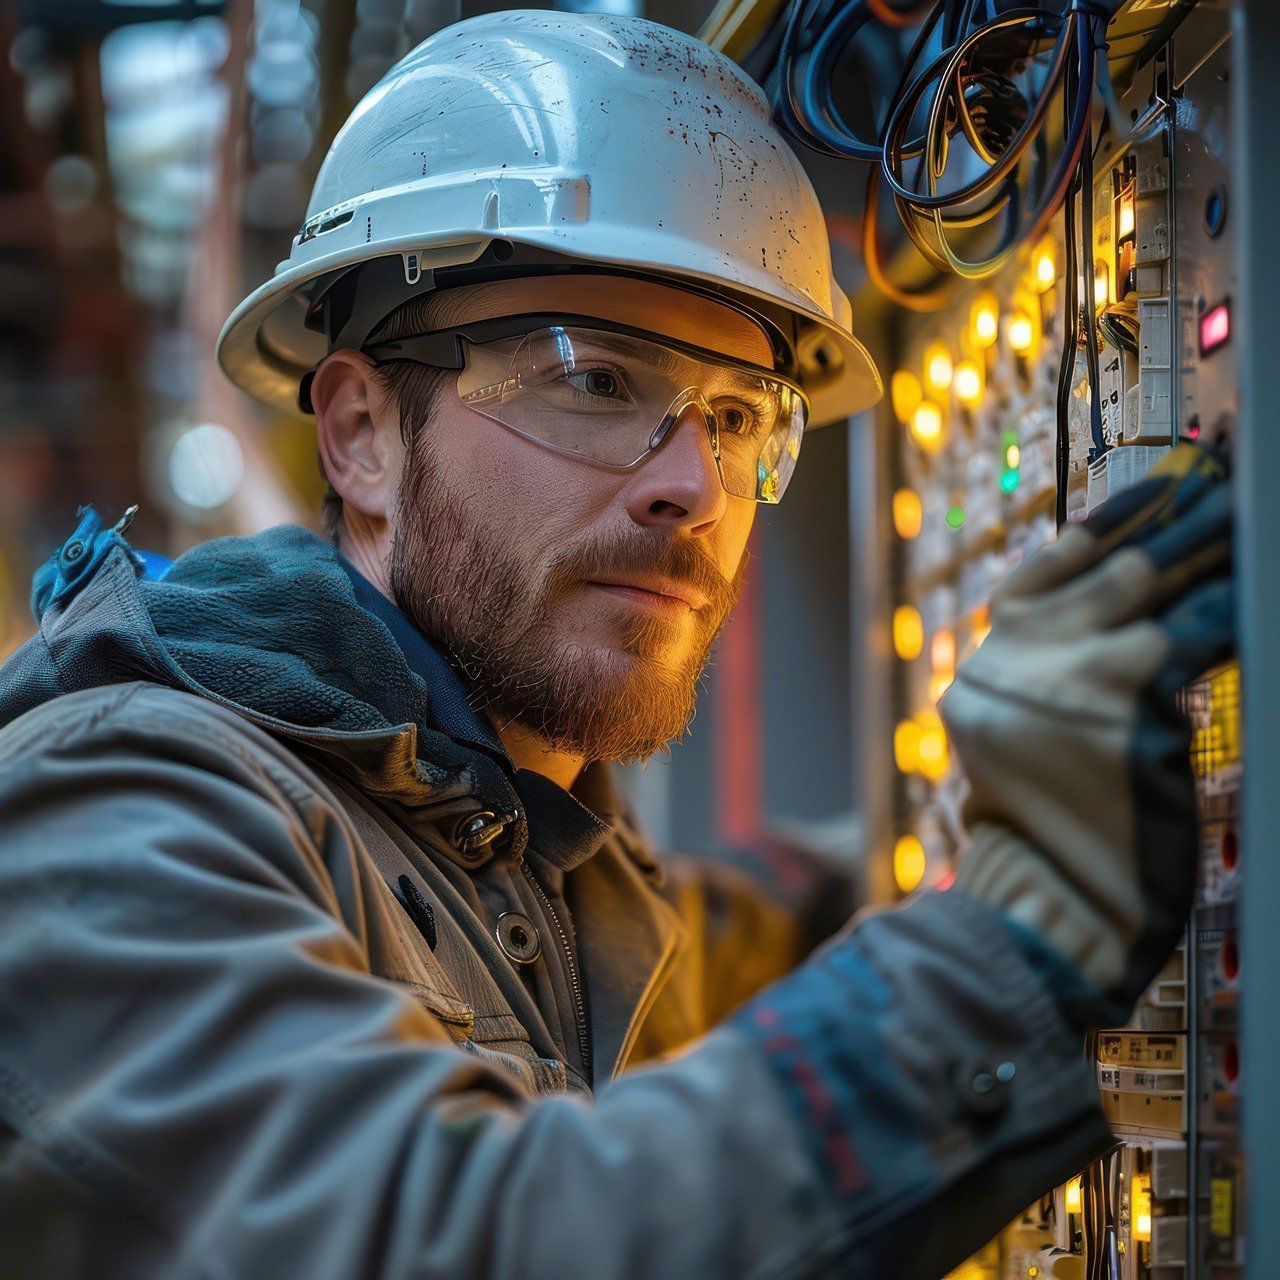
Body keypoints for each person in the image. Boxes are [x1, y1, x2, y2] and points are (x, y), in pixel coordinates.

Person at [0, 12, 1233, 1279]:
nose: (693, 484)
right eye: (594, 380)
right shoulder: (108, 807)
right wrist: (1004, 951)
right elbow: (449, 1244)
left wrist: (957, 805)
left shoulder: (534, 850)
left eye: (742, 414)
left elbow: (734, 924)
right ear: (363, 432)